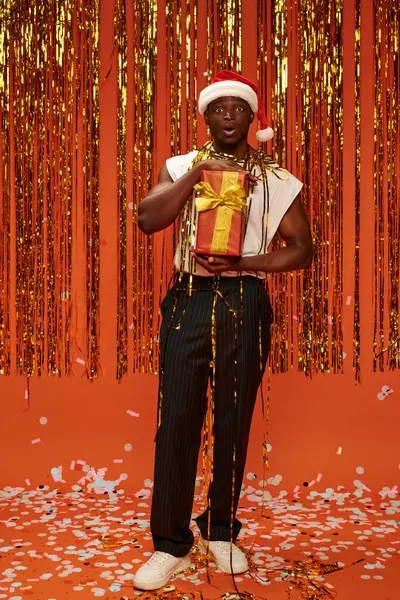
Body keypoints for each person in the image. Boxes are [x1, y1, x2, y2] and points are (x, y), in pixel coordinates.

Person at [134, 70, 313, 591]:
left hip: (245, 298)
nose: (229, 115)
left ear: (252, 116)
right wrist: (198, 175)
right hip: (189, 297)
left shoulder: (276, 178)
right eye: (219, 108)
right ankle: (168, 544)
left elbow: (302, 249)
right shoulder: (180, 165)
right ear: (205, 116)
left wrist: (243, 262)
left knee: (234, 419)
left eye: (239, 107)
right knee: (177, 423)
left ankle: (219, 531)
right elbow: (147, 218)